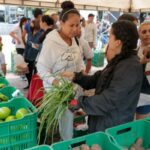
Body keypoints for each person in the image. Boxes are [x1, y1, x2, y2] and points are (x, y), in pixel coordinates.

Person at [61, 20, 143, 133]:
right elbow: (97, 79)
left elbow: (108, 101)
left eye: (110, 36)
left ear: (118, 42)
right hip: (103, 122)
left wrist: (78, 102)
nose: (108, 40)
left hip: (112, 128)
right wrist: (75, 77)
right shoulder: (119, 61)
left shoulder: (130, 67)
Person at [37, 1, 84, 140]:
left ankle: (67, 140)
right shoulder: (51, 42)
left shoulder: (74, 39)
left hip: (72, 90)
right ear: (61, 23)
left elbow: (79, 60)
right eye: (71, 25)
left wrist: (82, 72)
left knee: (69, 120)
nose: (75, 29)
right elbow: (41, 68)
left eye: (78, 25)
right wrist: (56, 82)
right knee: (58, 124)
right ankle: (61, 142)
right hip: (56, 93)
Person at [136, 21, 150, 119]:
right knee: (140, 123)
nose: (147, 34)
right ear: (139, 34)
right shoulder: (135, 51)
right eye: (144, 32)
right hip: (140, 93)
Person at [24, 20, 43, 89]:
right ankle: (29, 84)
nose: (30, 25)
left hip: (36, 57)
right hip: (28, 55)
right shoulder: (29, 33)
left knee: (35, 73)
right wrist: (24, 53)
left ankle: (34, 87)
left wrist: (31, 44)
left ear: (36, 24)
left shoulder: (41, 33)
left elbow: (40, 46)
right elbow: (27, 44)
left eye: (31, 24)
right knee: (27, 72)